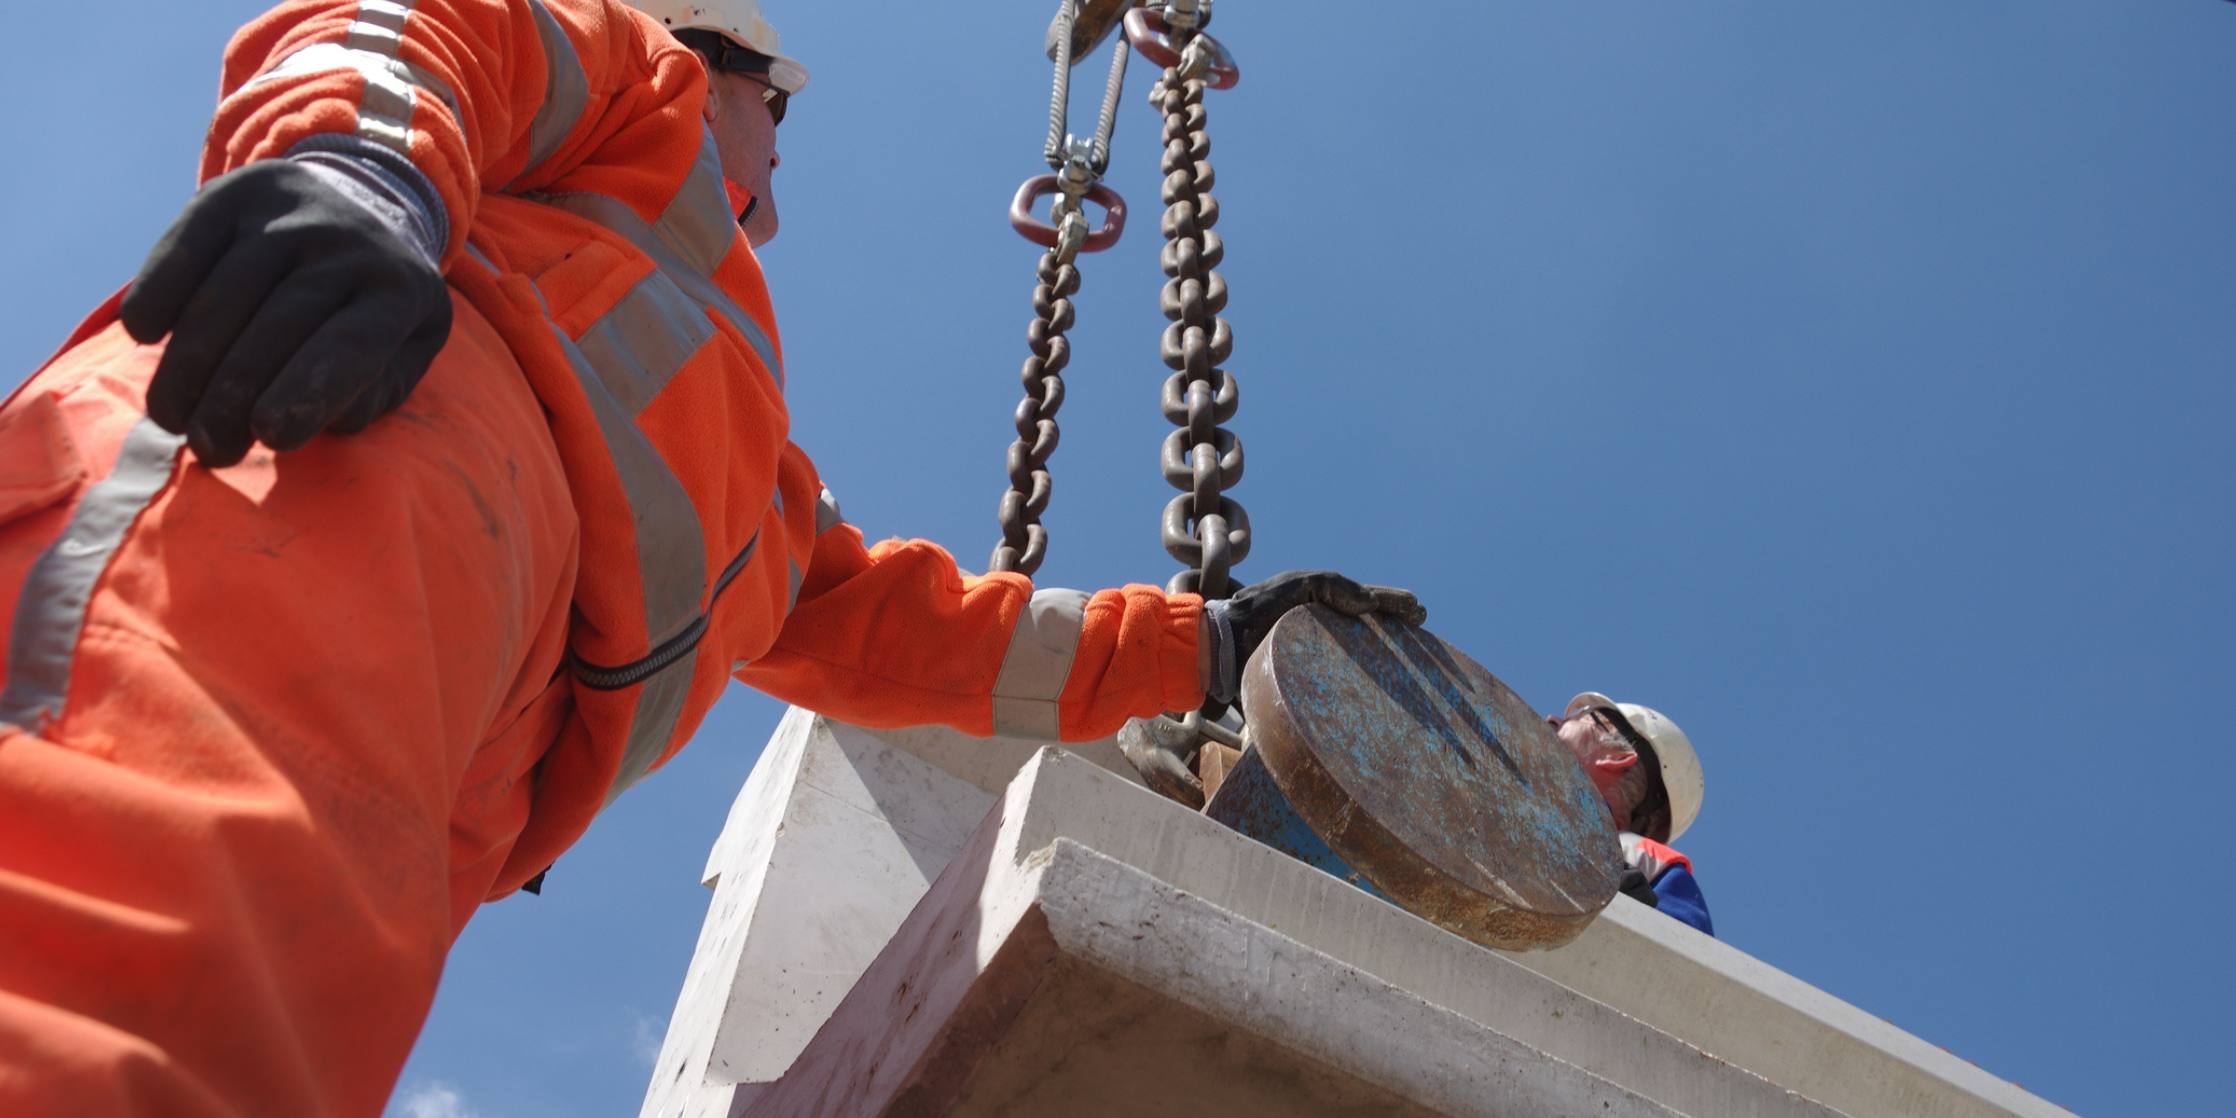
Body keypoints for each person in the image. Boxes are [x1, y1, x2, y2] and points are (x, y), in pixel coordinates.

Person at [0, 1, 1421, 1113]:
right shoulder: (626, 79)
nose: (781, 190)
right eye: (777, 123)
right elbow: (422, 27)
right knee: (97, 977)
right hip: (287, 497)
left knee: (228, 1057)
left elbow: (918, 633)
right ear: (715, 61)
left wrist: (1210, 645)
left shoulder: (748, 472)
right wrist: (364, 171)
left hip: (434, 796)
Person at [1548, 692, 1713, 936]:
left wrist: (1644, 916)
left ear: (1617, 758)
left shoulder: (1645, 861)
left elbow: (1694, 958)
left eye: (1578, 717)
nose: (1552, 721)